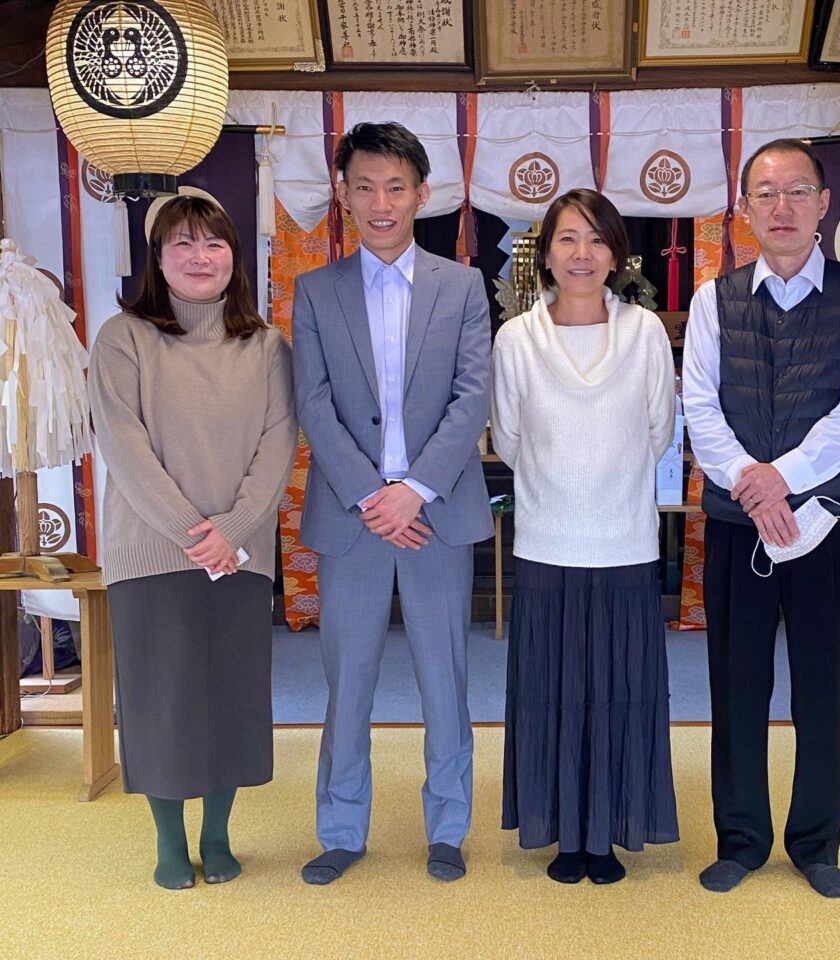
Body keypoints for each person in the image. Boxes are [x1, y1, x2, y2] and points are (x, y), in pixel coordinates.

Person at [682, 139, 840, 898]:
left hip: (828, 523)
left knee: (823, 687)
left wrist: (783, 480)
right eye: (765, 194)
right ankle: (739, 837)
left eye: (797, 191)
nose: (781, 207)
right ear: (743, 210)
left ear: (824, 203)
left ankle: (816, 842)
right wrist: (750, 485)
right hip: (741, 527)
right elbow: (699, 407)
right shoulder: (714, 298)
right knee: (736, 685)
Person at [293, 122, 492, 885]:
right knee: (349, 679)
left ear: (423, 194)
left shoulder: (461, 285)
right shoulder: (315, 291)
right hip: (353, 518)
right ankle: (341, 830)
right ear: (344, 196)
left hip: (437, 515)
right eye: (365, 187)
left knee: (446, 676)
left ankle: (448, 825)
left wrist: (413, 491)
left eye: (396, 187)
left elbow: (472, 398)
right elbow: (313, 402)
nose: (381, 202)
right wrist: (375, 496)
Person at [88, 195, 297, 889]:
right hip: (150, 552)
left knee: (231, 696)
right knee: (162, 700)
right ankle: (169, 841)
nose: (199, 257)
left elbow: (277, 446)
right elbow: (124, 447)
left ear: (234, 256)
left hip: (238, 556)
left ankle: (217, 832)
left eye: (213, 244)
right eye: (181, 244)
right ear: (157, 259)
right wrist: (192, 533)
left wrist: (230, 533)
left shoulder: (265, 346)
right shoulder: (123, 338)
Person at [491, 188, 679, 885]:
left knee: (619, 691)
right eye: (567, 239)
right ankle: (565, 833)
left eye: (596, 240)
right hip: (546, 545)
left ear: (618, 253)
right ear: (546, 253)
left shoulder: (645, 334)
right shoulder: (516, 339)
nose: (582, 253)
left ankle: (609, 832)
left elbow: (660, 430)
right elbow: (508, 438)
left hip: (625, 543)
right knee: (553, 693)